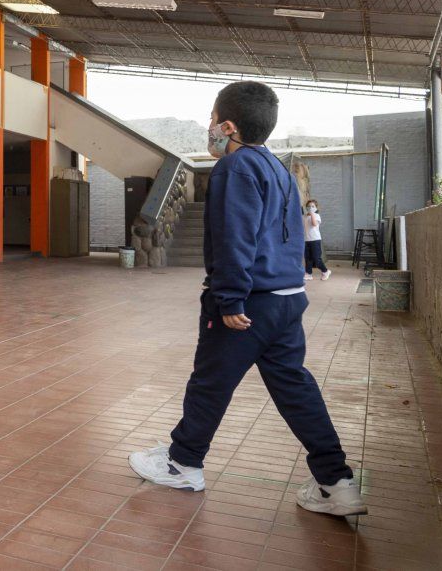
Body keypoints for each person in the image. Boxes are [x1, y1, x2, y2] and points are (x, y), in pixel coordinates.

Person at [128, 81, 365, 518]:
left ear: (228, 125)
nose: (209, 128)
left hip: (250, 303)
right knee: (295, 388)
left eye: (212, 119)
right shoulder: (278, 169)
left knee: (210, 383)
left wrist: (230, 300)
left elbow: (237, 237)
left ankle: (183, 463)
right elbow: (287, 237)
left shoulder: (234, 170)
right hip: (286, 298)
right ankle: (337, 481)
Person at [303, 199, 330, 282]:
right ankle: (308, 274)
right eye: (309, 206)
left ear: (316, 208)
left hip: (315, 240)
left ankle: (325, 271)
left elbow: (314, 224)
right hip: (306, 240)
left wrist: (312, 214)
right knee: (308, 258)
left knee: (316, 258)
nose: (310, 208)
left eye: (313, 206)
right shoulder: (304, 216)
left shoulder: (316, 216)